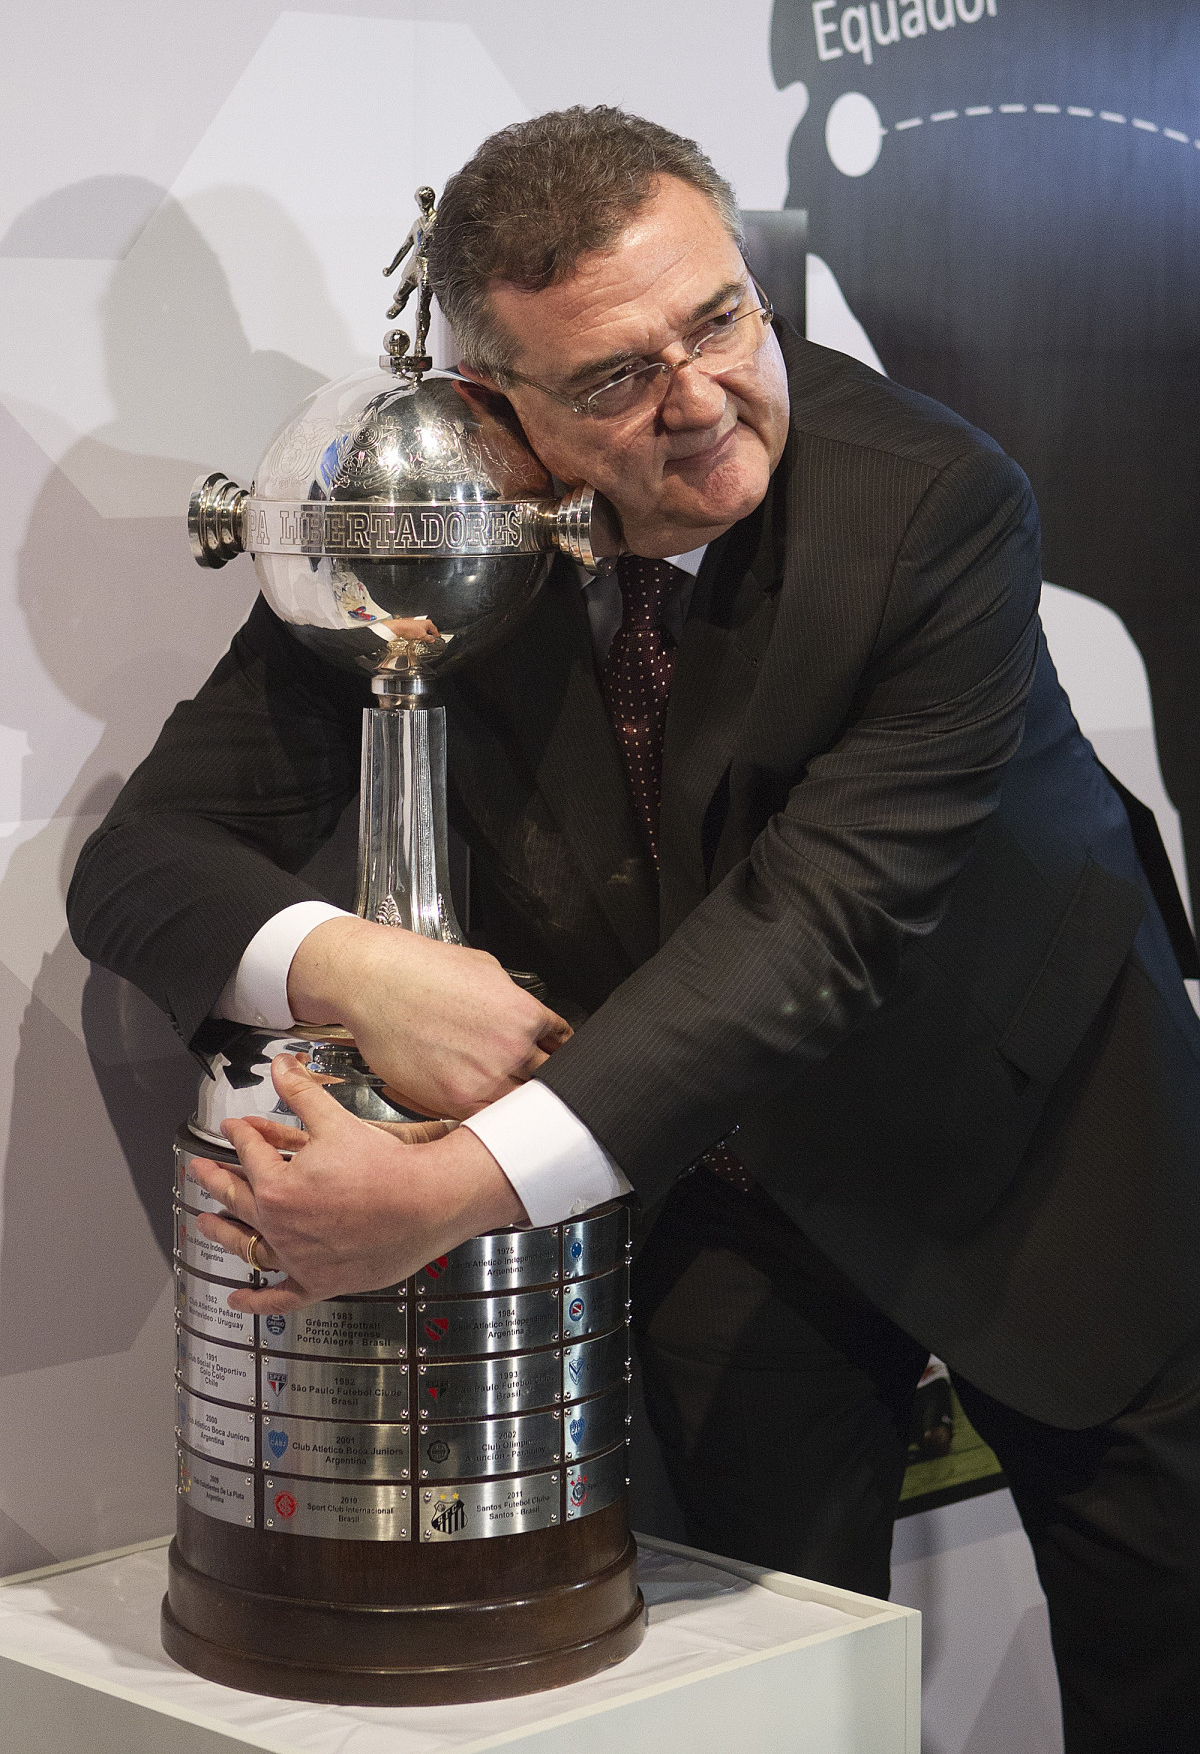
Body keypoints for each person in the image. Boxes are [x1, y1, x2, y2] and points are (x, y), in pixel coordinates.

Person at [68, 108, 1200, 1751]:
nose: (703, 399)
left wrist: (451, 1192)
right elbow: (143, 862)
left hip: (1048, 1159)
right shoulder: (430, 511)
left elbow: (814, 930)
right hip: (717, 1190)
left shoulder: (931, 506)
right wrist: (352, 965)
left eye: (723, 319)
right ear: (490, 408)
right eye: (611, 379)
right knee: (754, 1711)